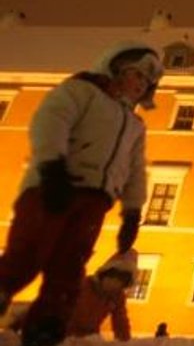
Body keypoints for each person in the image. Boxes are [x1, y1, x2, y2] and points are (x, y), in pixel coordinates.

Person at [0, 42, 162, 346]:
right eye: (135, 75)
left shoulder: (135, 125)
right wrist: (51, 165)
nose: (140, 84)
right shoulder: (82, 91)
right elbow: (50, 121)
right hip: (55, 185)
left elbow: (136, 170)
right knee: (29, 251)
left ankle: (48, 324)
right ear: (115, 69)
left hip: (95, 200)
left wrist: (132, 211)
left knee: (70, 265)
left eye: (146, 82)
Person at [66, 251, 137, 341]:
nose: (114, 284)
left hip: (91, 337)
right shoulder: (83, 285)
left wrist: (125, 343)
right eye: (112, 277)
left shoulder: (117, 296)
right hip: (65, 333)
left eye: (121, 281)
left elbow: (120, 322)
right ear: (104, 274)